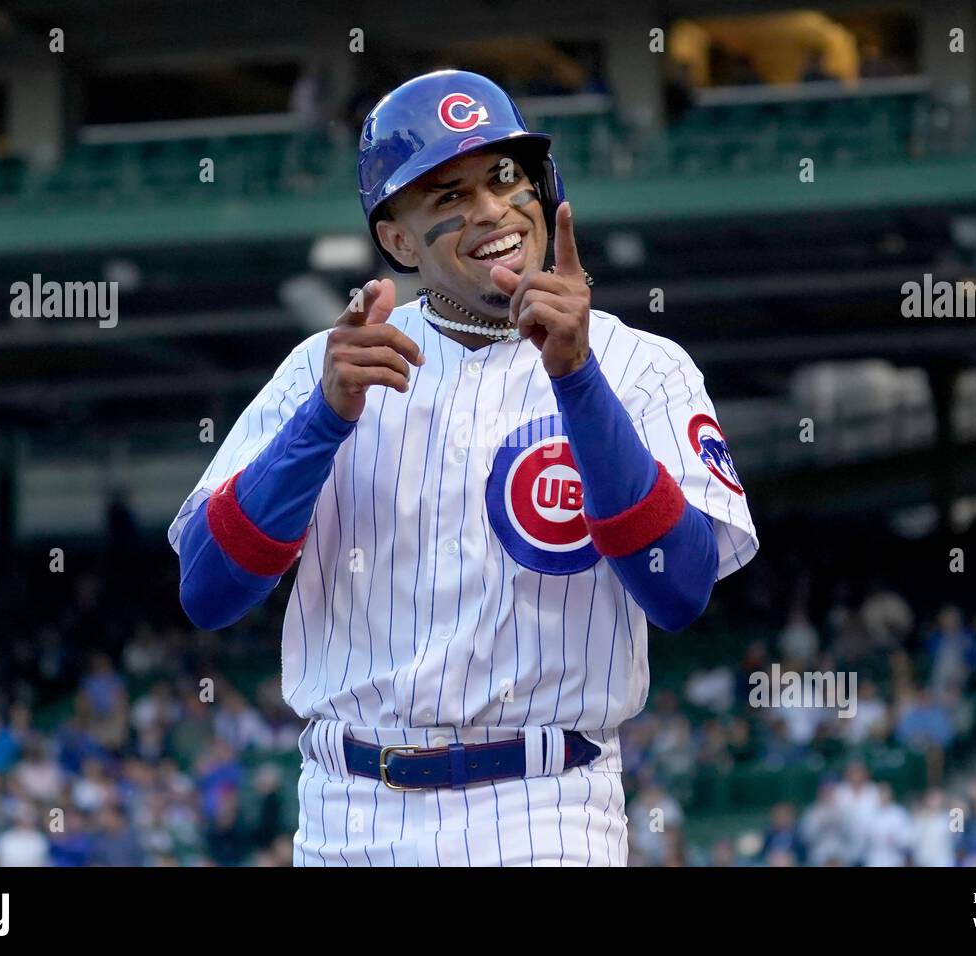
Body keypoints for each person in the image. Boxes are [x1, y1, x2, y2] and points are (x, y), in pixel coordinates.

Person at [170, 70, 758, 866]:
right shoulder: (328, 367)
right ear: (399, 240)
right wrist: (321, 422)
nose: (490, 210)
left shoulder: (642, 366)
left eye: (505, 178)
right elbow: (207, 592)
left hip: (548, 805)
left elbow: (680, 587)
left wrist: (579, 381)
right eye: (447, 195)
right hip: (350, 813)